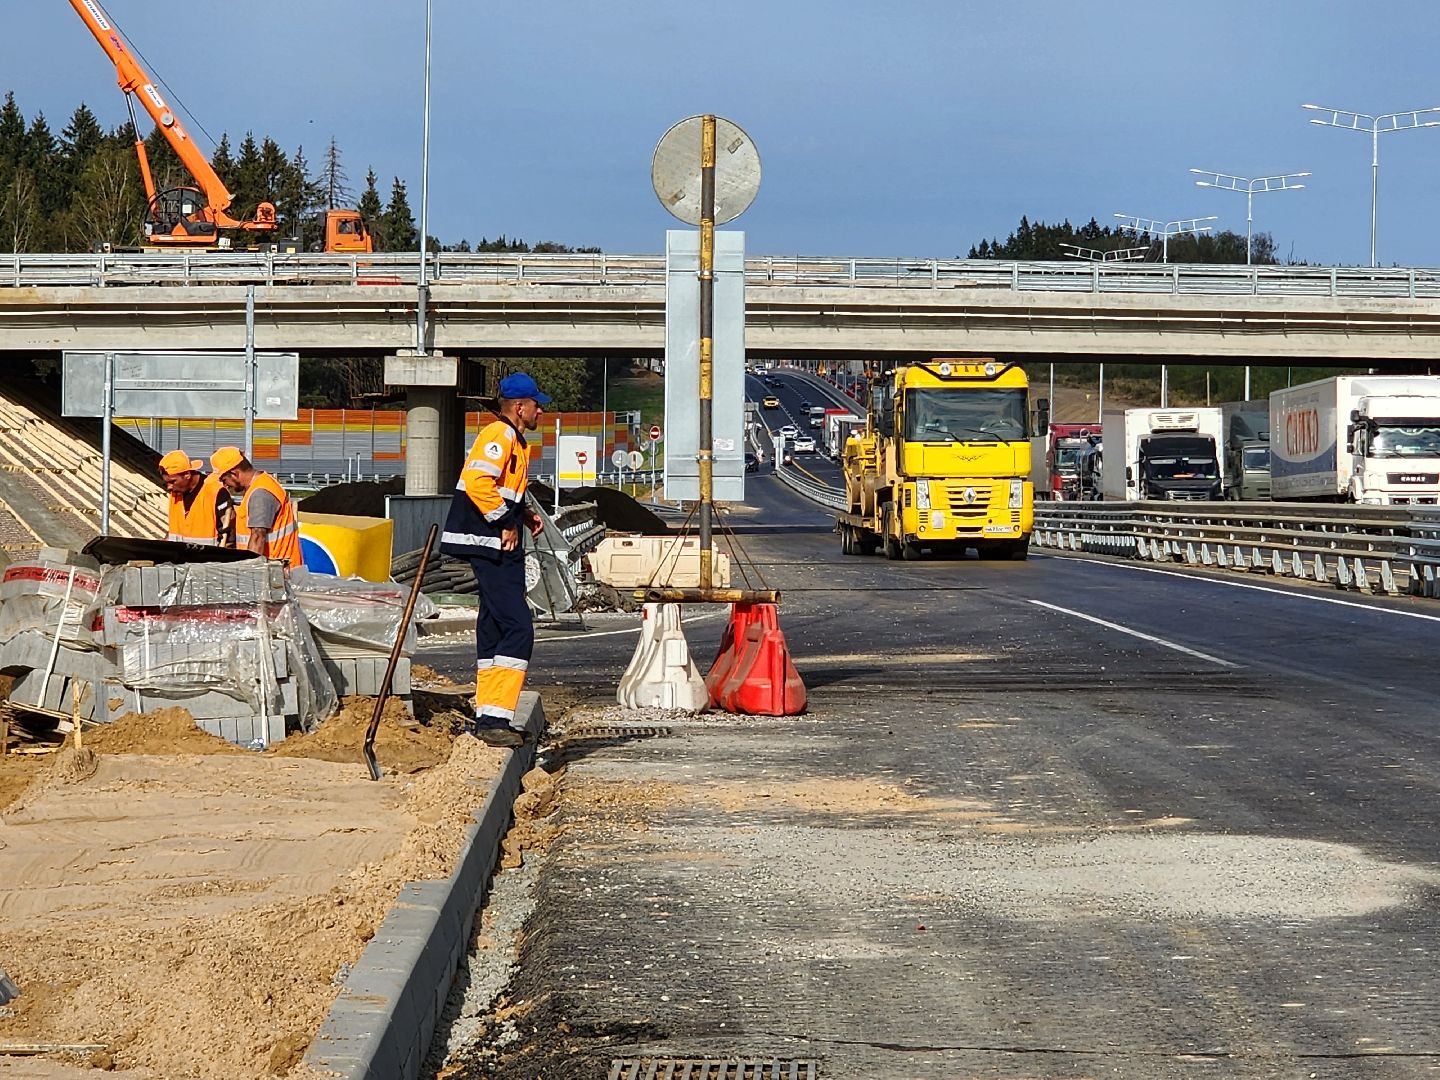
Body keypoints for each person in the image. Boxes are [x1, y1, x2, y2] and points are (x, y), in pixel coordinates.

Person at [440, 372, 549, 748]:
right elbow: (478, 482)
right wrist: (505, 522)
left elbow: (502, 488)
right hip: (489, 543)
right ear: (519, 408)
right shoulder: (499, 436)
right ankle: (495, 718)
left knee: (492, 626)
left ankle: (489, 714)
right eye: (537, 404)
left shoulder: (514, 440)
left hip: (493, 542)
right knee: (518, 626)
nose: (541, 411)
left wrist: (522, 515)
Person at [209, 446, 302, 568]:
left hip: (276, 575)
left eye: (224, 479)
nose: (224, 485)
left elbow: (258, 536)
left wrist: (248, 573)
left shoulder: (260, 494)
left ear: (234, 474)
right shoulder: (262, 483)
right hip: (275, 571)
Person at [159, 449, 234, 547]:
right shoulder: (176, 493)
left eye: (172, 482)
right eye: (166, 483)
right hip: (178, 559)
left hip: (207, 560)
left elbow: (230, 532)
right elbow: (175, 529)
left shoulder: (215, 491)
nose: (169, 487)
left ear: (187, 475)